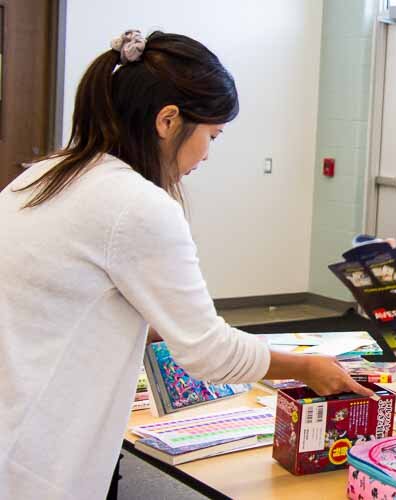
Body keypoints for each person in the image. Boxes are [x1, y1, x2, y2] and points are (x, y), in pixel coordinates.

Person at [0, 30, 371, 499]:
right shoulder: (136, 204)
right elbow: (209, 352)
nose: (208, 154)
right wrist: (307, 368)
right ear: (168, 120)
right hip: (39, 456)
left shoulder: (45, 174)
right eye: (211, 135)